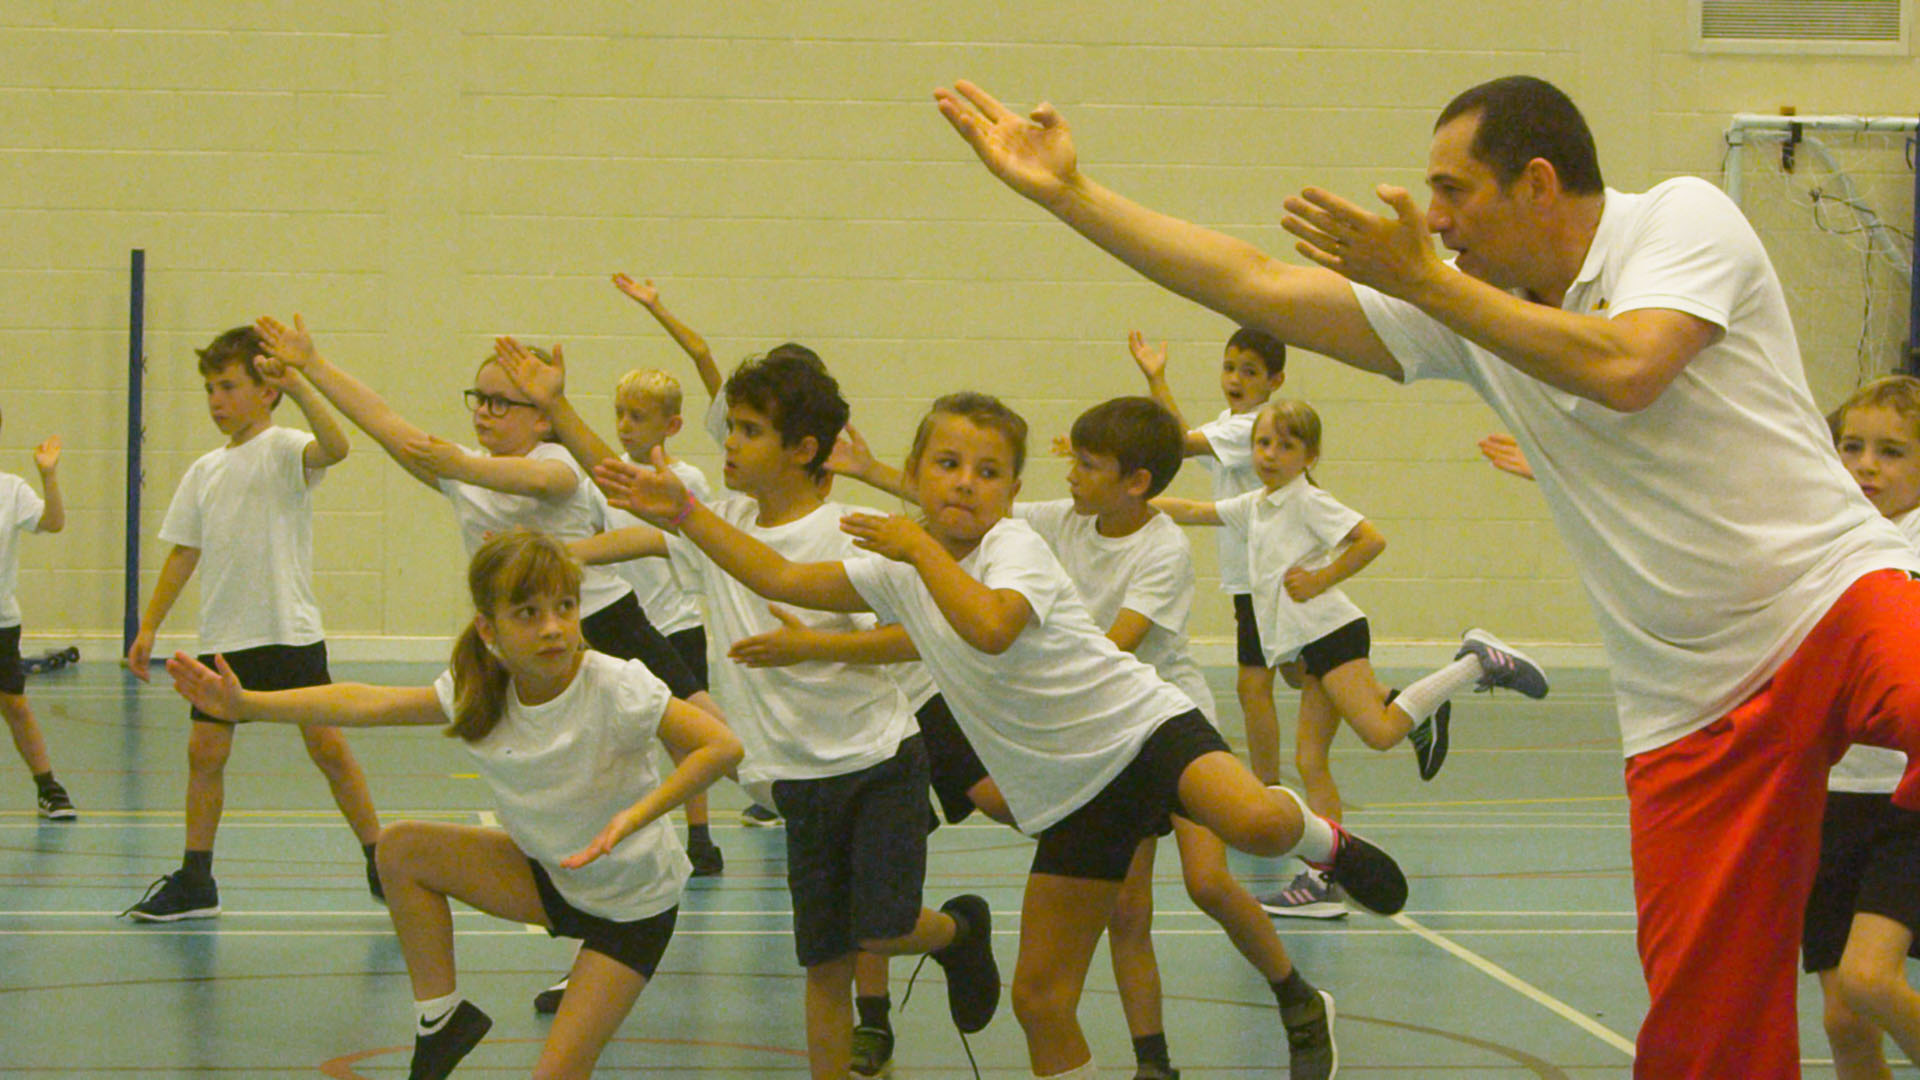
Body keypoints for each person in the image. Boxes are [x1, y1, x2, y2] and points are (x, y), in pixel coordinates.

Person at [933, 73, 1920, 1079]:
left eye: (1453, 192)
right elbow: (1253, 282)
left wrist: (1429, 282)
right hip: (1689, 702)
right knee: (1704, 1048)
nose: (1435, 220)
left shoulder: (1680, 219)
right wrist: (1070, 194)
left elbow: (1630, 366)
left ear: (1537, 185)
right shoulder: (1464, 310)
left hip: (1836, 597)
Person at [597, 390, 1436, 1080]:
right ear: (917, 476)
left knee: (1253, 823)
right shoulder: (898, 564)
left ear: (1010, 491)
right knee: (1040, 1002)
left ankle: (1326, 842)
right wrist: (690, 516)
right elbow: (780, 574)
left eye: (989, 471)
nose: (966, 483)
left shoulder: (1014, 546)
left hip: (1141, 727)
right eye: (948, 465)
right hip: (1068, 794)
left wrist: (918, 555)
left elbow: (992, 627)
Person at [501, 345, 1001, 1080]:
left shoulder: (850, 530)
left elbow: (917, 638)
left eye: (749, 431)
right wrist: (558, 408)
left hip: (878, 763)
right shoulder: (721, 523)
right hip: (795, 785)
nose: (729, 442)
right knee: (825, 963)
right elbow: (627, 480)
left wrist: (813, 650)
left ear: (803, 449)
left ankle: (957, 932)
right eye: (730, 426)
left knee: (884, 927)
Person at [824, 394, 1351, 1079]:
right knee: (1126, 910)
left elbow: (1111, 651)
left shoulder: (1162, 548)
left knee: (1210, 881)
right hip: (1100, 747)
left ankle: (1298, 996)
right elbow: (969, 504)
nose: (1071, 475)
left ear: (1134, 482)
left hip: (1155, 717)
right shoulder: (1058, 523)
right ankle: (1153, 1061)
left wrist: (1022, 663)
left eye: (1089, 464)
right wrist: (871, 470)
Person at [166, 529, 743, 1080]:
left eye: (566, 607)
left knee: (557, 1072)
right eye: (528, 614)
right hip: (550, 877)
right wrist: (249, 705)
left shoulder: (614, 684)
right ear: (488, 629)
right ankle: (440, 1019)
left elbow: (721, 745)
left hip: (630, 908)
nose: (553, 628)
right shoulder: (482, 688)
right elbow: (367, 702)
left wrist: (637, 815)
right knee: (401, 851)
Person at [122, 326, 383, 921]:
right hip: (224, 638)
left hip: (288, 631)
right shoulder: (204, 470)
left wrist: (305, 386)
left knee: (329, 748)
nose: (216, 399)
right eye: (210, 388)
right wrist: (149, 627)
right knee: (204, 753)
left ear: (266, 391)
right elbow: (183, 552)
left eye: (229, 386)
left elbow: (337, 447)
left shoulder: (288, 446)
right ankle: (196, 880)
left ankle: (379, 859)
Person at [613, 272, 784, 829]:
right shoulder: (620, 478)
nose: (623, 426)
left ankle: (718, 821)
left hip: (680, 618)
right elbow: (703, 356)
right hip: (630, 621)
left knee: (699, 731)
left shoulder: (689, 483)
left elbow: (662, 535)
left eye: (637, 416)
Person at [1128, 328, 1291, 789]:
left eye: (1250, 371)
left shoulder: (1256, 427)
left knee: (1253, 686)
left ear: (1274, 380)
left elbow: (1175, 442)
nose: (1235, 378)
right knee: (1306, 674)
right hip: (1252, 575)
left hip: (1268, 573)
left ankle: (1266, 789)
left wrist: (1156, 380)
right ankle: (1390, 701)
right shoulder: (1231, 423)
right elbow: (1183, 444)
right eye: (1229, 366)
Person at [0, 412, 75, 820]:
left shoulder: (10, 490)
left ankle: (48, 787)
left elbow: (54, 522)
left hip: (1, 621)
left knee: (15, 705)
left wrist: (48, 476)